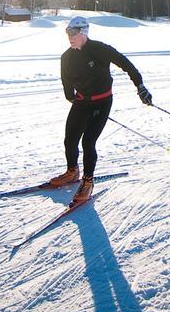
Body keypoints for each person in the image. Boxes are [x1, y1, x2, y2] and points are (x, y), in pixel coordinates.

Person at [49, 15, 153, 205]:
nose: (69, 36)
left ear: (83, 32)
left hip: (102, 102)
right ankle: (72, 172)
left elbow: (125, 63)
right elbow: (66, 83)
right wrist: (71, 96)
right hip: (82, 102)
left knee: (88, 142)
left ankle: (88, 181)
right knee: (70, 139)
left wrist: (140, 86)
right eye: (67, 32)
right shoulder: (67, 57)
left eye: (73, 33)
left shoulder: (99, 49)